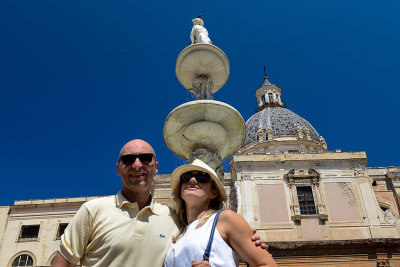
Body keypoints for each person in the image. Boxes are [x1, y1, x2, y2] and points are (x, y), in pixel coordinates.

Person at [52, 139, 267, 267]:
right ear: (118, 168)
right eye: (128, 160)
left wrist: (247, 243)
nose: (137, 165)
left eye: (145, 158)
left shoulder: (173, 219)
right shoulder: (93, 210)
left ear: (155, 166)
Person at [164, 159, 277, 267]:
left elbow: (268, 264)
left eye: (202, 177)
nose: (192, 180)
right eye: (186, 177)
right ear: (180, 192)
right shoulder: (177, 236)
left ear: (213, 193)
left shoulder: (225, 219)